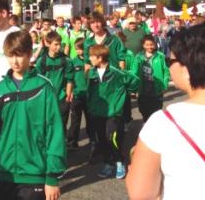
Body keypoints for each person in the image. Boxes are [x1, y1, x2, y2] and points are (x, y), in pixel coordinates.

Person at [126, 23, 205, 199]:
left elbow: (140, 193)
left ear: (186, 69)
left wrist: (135, 161)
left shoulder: (164, 122)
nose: (169, 66)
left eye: (171, 61)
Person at [0, 30, 66, 200]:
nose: (14, 61)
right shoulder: (0, 90)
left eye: (19, 55)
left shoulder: (44, 87)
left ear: (29, 54)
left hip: (35, 174)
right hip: (5, 174)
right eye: (10, 55)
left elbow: (55, 133)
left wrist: (52, 177)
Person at [87, 44, 139, 179]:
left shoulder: (116, 72)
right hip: (97, 112)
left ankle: (119, 162)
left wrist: (127, 93)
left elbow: (134, 80)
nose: (89, 58)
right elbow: (90, 92)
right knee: (101, 140)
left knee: (112, 138)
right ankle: (108, 164)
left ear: (100, 57)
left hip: (113, 113)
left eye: (92, 56)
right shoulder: (91, 72)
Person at [35, 31, 73, 133]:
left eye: (60, 44)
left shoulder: (66, 60)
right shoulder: (41, 61)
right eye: (56, 44)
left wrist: (68, 95)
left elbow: (69, 79)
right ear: (47, 44)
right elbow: (37, 81)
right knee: (46, 125)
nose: (58, 47)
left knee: (61, 125)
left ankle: (62, 146)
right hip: (45, 98)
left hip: (61, 97)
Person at [131, 35, 170, 122]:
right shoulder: (138, 57)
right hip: (143, 89)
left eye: (151, 44)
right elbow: (134, 72)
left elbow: (166, 71)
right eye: (147, 45)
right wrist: (133, 88)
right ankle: (146, 122)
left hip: (156, 88)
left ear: (155, 44)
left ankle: (153, 126)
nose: (150, 47)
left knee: (156, 111)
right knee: (143, 109)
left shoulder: (160, 56)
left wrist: (165, 84)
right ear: (143, 45)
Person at [66, 38, 94, 149]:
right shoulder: (73, 61)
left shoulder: (91, 61)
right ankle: (72, 142)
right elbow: (70, 78)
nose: (78, 51)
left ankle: (93, 140)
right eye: (76, 49)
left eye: (80, 49)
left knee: (91, 120)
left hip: (89, 95)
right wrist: (71, 91)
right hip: (77, 94)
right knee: (75, 120)